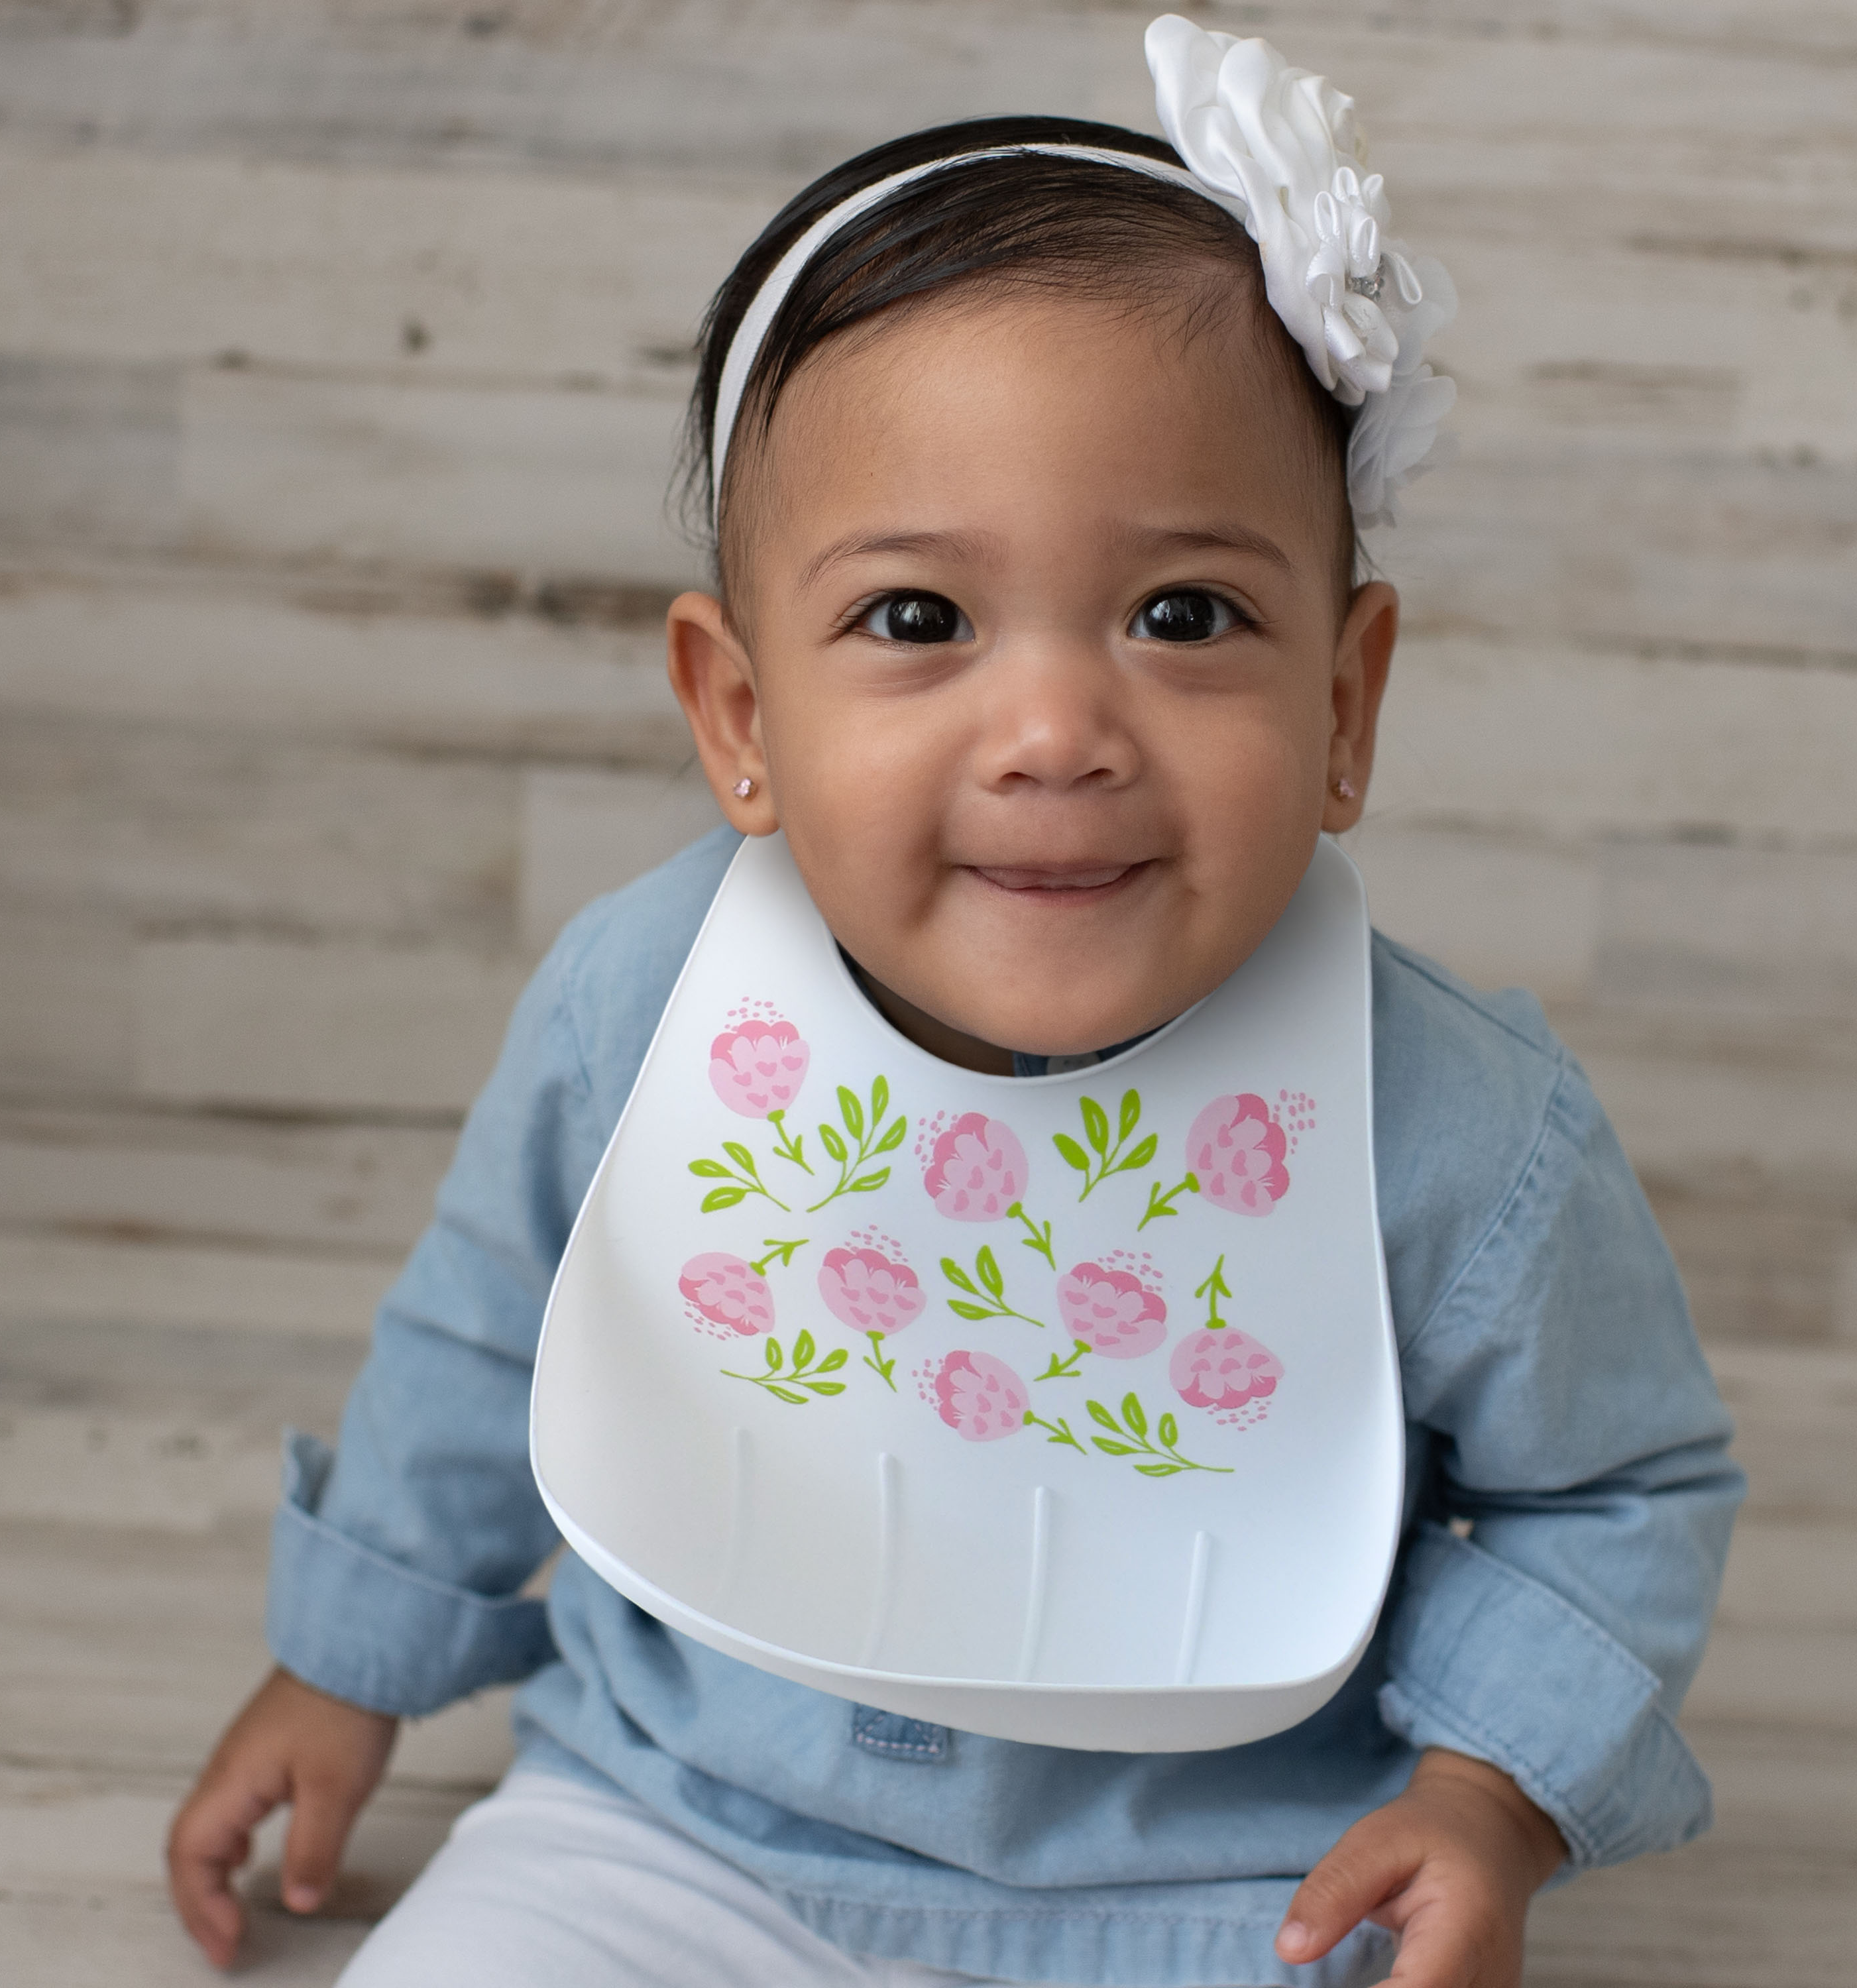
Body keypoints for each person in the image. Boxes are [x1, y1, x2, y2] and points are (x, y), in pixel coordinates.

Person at [167, 17, 1743, 1986]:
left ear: (1345, 705)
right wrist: (351, 1661)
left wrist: (1488, 1797)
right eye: (917, 619)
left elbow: (1617, 1491)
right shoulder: (644, 1007)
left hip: (1229, 1893)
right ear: (740, 717)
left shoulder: (1455, 1129)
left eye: (1184, 615)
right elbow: (495, 1333)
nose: (1057, 729)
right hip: (676, 1822)